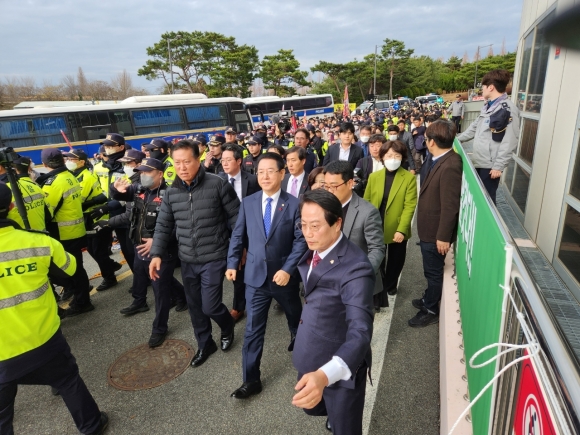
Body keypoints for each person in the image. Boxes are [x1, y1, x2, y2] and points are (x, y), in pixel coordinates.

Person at [0, 183, 109, 435]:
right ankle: (91, 425)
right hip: (42, 338)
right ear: (12, 207)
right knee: (68, 381)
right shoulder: (38, 243)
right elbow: (70, 270)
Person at [149, 139, 239, 367]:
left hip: (215, 256)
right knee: (195, 306)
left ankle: (227, 326)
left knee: (210, 305)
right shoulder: (171, 193)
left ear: (197, 159)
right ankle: (204, 343)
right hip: (187, 258)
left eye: (187, 161)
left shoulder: (217, 184)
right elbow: (163, 225)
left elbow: (237, 220)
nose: (182, 167)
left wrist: (239, 252)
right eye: (177, 163)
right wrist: (157, 253)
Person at [291, 189, 374, 435]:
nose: (308, 233)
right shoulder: (317, 247)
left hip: (340, 365)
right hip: (311, 350)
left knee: (345, 428)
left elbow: (360, 331)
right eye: (303, 225)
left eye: (315, 226)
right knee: (315, 408)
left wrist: (325, 376)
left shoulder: (356, 268)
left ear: (338, 223)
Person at [226, 152, 307, 399]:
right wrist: (232, 263)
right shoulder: (249, 203)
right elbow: (238, 236)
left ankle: (300, 349)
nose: (264, 176)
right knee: (252, 330)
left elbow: (301, 241)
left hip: (284, 278)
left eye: (270, 171)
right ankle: (251, 380)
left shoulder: (294, 204)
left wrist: (288, 269)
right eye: (260, 171)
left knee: (296, 318)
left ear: (282, 173)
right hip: (255, 278)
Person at [96, 158, 187, 348]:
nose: (143, 176)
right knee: (159, 278)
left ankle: (159, 329)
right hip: (140, 247)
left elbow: (179, 226)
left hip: (162, 251)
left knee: (160, 290)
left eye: (147, 172)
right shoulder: (139, 190)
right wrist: (115, 189)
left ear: (160, 174)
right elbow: (123, 201)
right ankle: (182, 296)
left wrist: (157, 242)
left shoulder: (172, 194)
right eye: (141, 172)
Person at [410, 120, 463, 327]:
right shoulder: (437, 157)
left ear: (431, 142)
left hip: (435, 233)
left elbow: (450, 206)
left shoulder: (450, 165)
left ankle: (430, 308)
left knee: (433, 271)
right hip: (428, 227)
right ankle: (428, 298)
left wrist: (443, 236)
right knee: (429, 269)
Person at [36, 148, 93, 317]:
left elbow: (47, 212)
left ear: (45, 164)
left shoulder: (53, 183)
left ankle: (82, 301)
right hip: (75, 229)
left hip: (63, 232)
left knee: (69, 270)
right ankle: (81, 298)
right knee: (77, 268)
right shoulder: (69, 176)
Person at [323, 161, 385, 309]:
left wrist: (361, 277)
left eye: (334, 186)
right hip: (327, 279)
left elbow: (377, 249)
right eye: (326, 186)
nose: (329, 191)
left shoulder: (367, 212)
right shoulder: (322, 207)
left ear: (350, 183)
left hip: (355, 283)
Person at [364, 140, 417, 307]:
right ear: (382, 157)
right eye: (389, 155)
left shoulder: (408, 178)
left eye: (396, 155)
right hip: (376, 224)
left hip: (397, 226)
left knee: (396, 259)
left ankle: (391, 284)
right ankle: (379, 286)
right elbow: (366, 201)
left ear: (402, 158)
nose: (392, 158)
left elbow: (409, 206)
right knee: (377, 257)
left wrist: (401, 230)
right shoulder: (374, 177)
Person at [457, 69, 520, 204]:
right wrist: (455, 140)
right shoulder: (487, 106)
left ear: (491, 87)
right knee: (477, 199)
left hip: (490, 166)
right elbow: (474, 128)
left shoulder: (507, 109)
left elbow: (510, 140)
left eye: (483, 87)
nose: (482, 90)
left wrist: (498, 166)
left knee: (487, 202)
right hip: (479, 160)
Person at [63, 149, 122, 292]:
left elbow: (78, 200)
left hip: (97, 218)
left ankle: (109, 278)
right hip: (88, 218)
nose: (68, 162)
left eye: (72, 160)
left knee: (97, 250)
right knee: (91, 248)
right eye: (67, 159)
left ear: (82, 162)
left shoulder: (86, 178)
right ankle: (111, 265)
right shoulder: (75, 176)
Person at [218, 144, 262, 323]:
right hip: (226, 233)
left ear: (239, 161)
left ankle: (242, 304)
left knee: (247, 266)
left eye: (229, 160)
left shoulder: (252, 180)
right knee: (235, 268)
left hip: (249, 230)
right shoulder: (218, 180)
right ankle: (239, 306)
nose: (225, 163)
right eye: (222, 160)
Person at [92, 133, 135, 283]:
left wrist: (107, 207)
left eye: (111, 146)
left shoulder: (128, 166)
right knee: (102, 248)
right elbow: (102, 191)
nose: (107, 148)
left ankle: (142, 278)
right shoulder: (100, 167)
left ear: (121, 147)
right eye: (106, 145)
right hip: (107, 212)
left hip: (125, 212)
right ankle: (112, 276)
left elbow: (128, 193)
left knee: (130, 250)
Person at [1, 156, 47, 231]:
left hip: (15, 240)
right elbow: (48, 214)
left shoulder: (3, 190)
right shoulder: (33, 185)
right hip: (41, 237)